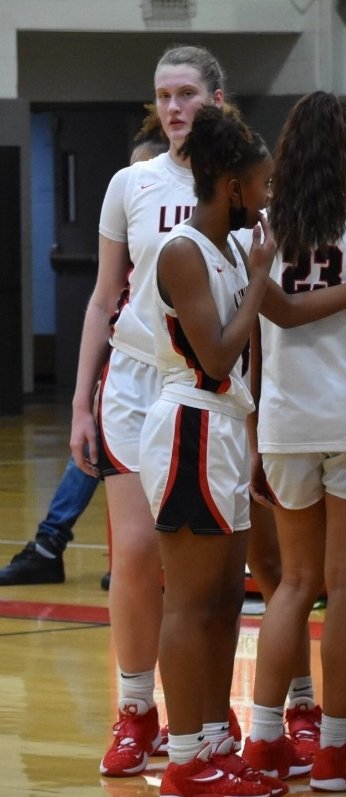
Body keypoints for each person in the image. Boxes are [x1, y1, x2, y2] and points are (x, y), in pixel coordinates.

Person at [70, 46, 237, 777]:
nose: (173, 108)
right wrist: (81, 400)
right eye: (164, 96)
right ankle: (136, 711)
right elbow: (105, 296)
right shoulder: (129, 184)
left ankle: (207, 710)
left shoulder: (241, 182)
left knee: (209, 567)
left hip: (214, 384)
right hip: (137, 381)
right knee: (136, 555)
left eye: (187, 95)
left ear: (217, 100)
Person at [242, 92, 346, 792]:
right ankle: (336, 751)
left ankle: (265, 742)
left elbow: (249, 339)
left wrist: (251, 433)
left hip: (282, 422)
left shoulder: (261, 233)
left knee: (290, 585)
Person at [140, 104, 280, 797]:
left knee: (227, 600)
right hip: (192, 422)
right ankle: (184, 761)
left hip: (224, 428)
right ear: (231, 184)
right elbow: (219, 356)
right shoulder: (183, 251)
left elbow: (276, 316)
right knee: (191, 602)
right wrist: (260, 274)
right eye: (261, 181)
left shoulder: (227, 247)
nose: (268, 194)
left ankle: (212, 743)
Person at [0, 115, 169, 590]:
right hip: (129, 367)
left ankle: (140, 555)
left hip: (185, 373)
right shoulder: (125, 242)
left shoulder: (187, 236)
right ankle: (52, 544)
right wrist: (82, 399)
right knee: (92, 444)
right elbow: (103, 303)